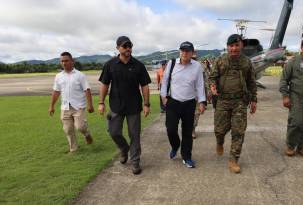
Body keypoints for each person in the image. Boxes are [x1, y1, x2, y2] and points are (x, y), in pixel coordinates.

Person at [98, 36, 151, 175]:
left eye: (130, 45)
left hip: (134, 106)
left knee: (134, 135)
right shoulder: (110, 64)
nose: (128, 48)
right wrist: (101, 102)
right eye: (125, 46)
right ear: (118, 48)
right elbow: (104, 84)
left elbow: (144, 86)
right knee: (114, 132)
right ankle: (123, 149)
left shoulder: (138, 65)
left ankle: (135, 162)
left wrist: (146, 104)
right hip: (116, 106)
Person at [209, 34, 257, 173]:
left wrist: (254, 100)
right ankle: (220, 141)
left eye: (237, 45)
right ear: (227, 46)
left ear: (241, 46)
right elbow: (212, 77)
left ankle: (233, 160)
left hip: (240, 102)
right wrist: (212, 86)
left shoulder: (246, 62)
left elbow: (251, 82)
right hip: (223, 101)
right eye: (231, 46)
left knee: (238, 131)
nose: (234, 48)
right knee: (219, 130)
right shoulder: (220, 60)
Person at [160, 41, 206, 168]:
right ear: (180, 51)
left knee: (187, 132)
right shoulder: (172, 63)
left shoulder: (197, 66)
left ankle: (187, 157)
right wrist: (163, 96)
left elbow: (200, 85)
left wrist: (202, 101)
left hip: (189, 103)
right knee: (170, 129)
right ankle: (175, 145)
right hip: (173, 102)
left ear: (192, 53)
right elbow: (165, 81)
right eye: (183, 50)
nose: (185, 53)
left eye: (187, 51)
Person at [49, 52, 94, 153]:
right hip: (65, 107)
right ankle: (73, 149)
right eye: (62, 61)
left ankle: (87, 134)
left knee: (80, 127)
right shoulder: (58, 76)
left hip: (78, 106)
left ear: (72, 61)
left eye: (66, 60)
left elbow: (87, 90)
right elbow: (56, 92)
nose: (64, 63)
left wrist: (90, 105)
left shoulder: (80, 75)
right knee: (68, 130)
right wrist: (51, 106)